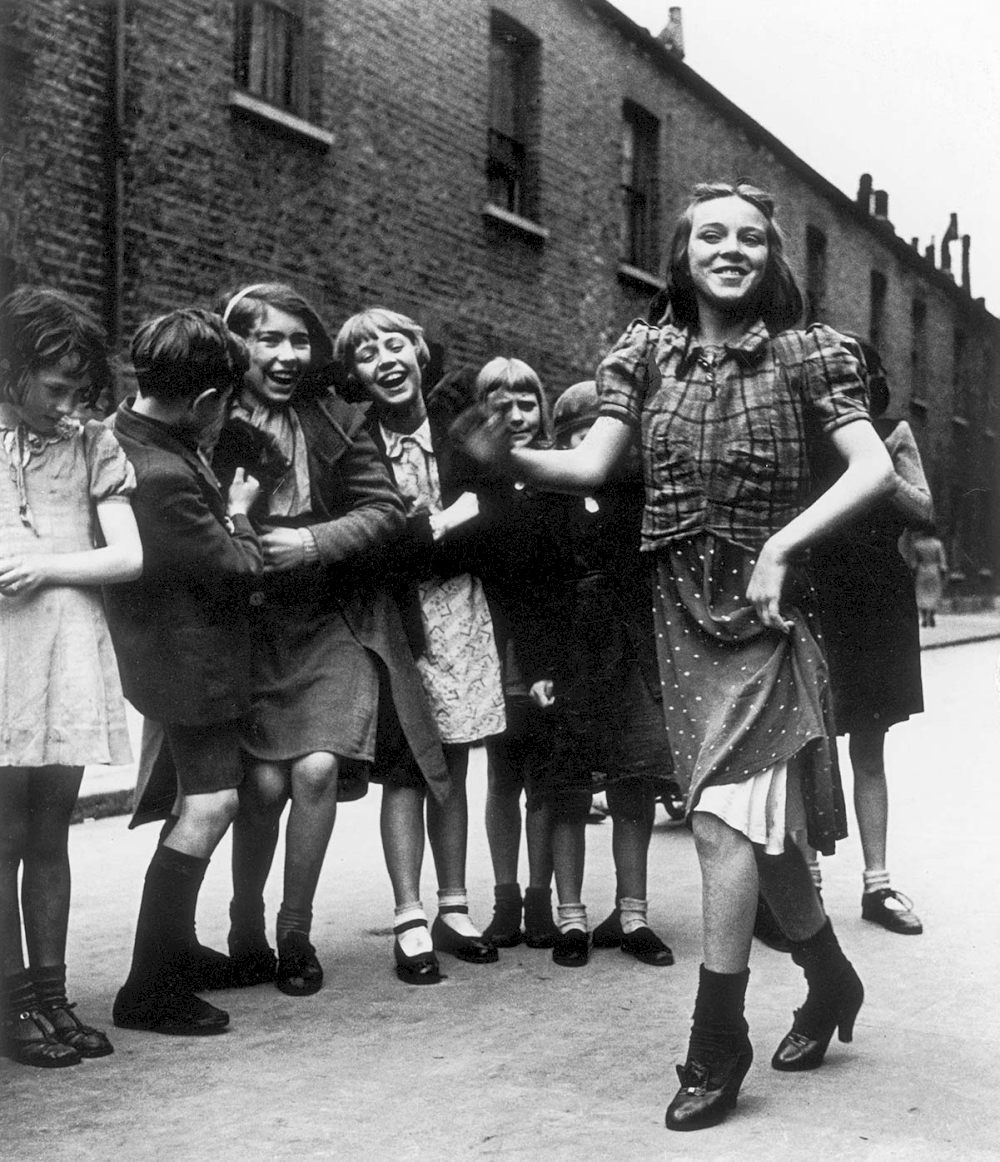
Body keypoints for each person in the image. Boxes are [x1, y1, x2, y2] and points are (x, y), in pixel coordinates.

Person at [455, 181, 894, 1131]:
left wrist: (782, 546)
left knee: (722, 823)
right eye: (710, 237)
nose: (729, 250)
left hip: (770, 612)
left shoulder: (810, 354)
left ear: (771, 259)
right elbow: (593, 465)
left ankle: (715, 1038)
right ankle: (829, 980)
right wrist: (514, 459)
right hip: (675, 607)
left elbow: (874, 469)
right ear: (682, 255)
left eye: (749, 238)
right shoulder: (643, 351)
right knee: (748, 824)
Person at [219, 285, 448, 993]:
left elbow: (384, 510)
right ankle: (244, 922)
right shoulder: (212, 416)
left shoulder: (337, 419)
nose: (287, 356)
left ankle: (294, 931)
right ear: (239, 346)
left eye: (299, 341)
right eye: (269, 340)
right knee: (259, 782)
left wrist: (314, 542)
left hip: (335, 619)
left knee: (316, 769)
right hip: (254, 625)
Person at [333, 308, 504, 976]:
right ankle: (409, 913)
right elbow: (368, 541)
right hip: (396, 616)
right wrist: (421, 536)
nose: (387, 358)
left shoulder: (455, 431)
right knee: (406, 764)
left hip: (462, 607)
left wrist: (438, 530)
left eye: (396, 344)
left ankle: (454, 904)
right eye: (367, 353)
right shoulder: (354, 443)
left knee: (455, 758)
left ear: (420, 354)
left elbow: (495, 516)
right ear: (353, 376)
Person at [105, 308, 261, 1036]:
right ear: (204, 403)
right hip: (190, 659)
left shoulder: (129, 435)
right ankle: (149, 987)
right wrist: (240, 514)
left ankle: (172, 952)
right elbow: (235, 567)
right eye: (224, 403)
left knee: (198, 805)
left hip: (177, 652)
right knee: (211, 806)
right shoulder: (162, 470)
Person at [0, 288, 142, 1068]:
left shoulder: (93, 446)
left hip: (64, 650)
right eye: (54, 387)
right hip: (2, 653)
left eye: (80, 391)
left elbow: (128, 557)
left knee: (49, 832)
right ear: (12, 369)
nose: (69, 404)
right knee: (3, 835)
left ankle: (52, 997)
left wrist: (46, 565)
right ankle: (13, 1003)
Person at [548, 379, 676, 968]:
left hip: (633, 656)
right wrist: (540, 664)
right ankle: (570, 917)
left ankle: (633, 914)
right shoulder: (551, 504)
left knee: (635, 782)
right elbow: (535, 593)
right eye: (582, 435)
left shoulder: (641, 502)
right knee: (570, 791)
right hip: (572, 658)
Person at [810, 337, 931, 936]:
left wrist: (876, 468)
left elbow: (923, 508)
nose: (852, 388)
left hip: (878, 600)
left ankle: (877, 886)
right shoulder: (808, 435)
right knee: (810, 744)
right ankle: (805, 891)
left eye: (861, 377)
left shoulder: (892, 433)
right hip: (817, 593)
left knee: (869, 745)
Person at [471, 358, 587, 965]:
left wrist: (549, 662)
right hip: (492, 648)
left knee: (544, 780)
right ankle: (505, 899)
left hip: (547, 650)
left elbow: (561, 575)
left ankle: (541, 898)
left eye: (526, 403)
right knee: (500, 778)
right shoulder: (476, 482)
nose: (514, 416)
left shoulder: (557, 479)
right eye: (498, 404)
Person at [910, 525, 948, 627]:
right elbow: (942, 560)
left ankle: (923, 616)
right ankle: (931, 614)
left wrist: (914, 571)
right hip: (934, 570)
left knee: (921, 593)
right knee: (934, 593)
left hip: (922, 570)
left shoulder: (918, 544)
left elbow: (914, 562)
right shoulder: (937, 544)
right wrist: (943, 571)